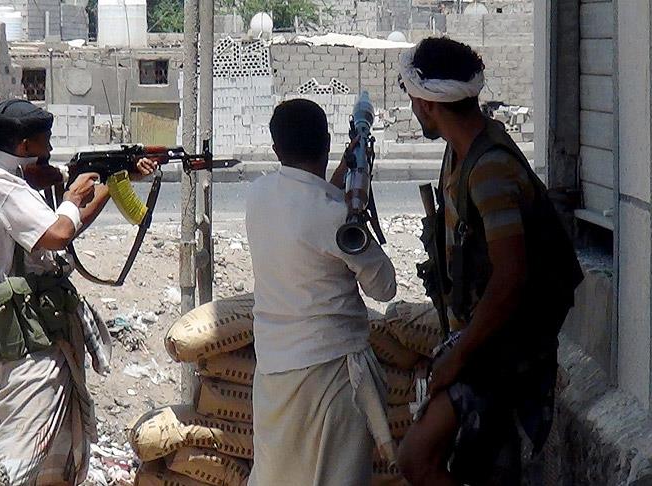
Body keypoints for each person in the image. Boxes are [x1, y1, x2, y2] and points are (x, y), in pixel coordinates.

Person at [394, 38, 583, 485]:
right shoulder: (462, 151)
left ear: (426, 104)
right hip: (484, 341)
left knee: (417, 458)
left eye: (412, 98)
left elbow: (511, 277)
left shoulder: (489, 169)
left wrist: (458, 357)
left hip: (503, 348)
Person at [0, 99, 156, 485]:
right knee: (22, 453)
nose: (49, 149)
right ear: (24, 145)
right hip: (30, 340)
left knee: (55, 457)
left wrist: (113, 182)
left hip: (44, 332)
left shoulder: (12, 178)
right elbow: (59, 232)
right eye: (45, 141)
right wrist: (72, 196)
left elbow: (66, 227)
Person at [245, 98, 398, 486]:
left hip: (274, 375)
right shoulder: (334, 216)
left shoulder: (258, 196)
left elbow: (307, 208)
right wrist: (354, 209)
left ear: (276, 148)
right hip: (333, 377)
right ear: (327, 142)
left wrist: (345, 177)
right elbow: (384, 287)